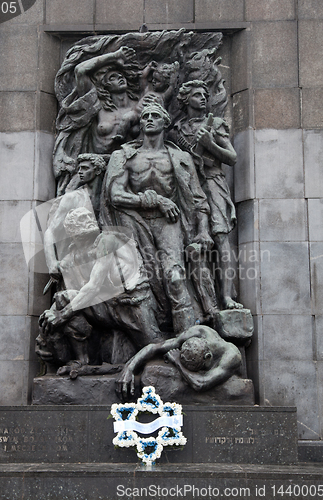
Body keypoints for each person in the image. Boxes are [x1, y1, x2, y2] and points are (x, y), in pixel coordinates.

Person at [101, 102, 214, 334]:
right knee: (137, 283)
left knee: (175, 276)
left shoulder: (181, 158)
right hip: (132, 221)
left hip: (169, 222)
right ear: (140, 123)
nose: (149, 119)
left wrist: (203, 231)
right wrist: (152, 200)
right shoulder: (123, 156)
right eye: (145, 116)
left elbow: (198, 199)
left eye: (155, 116)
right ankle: (151, 338)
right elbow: (115, 195)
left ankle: (187, 339)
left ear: (166, 122)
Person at [38, 207, 166, 375]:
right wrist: (49, 321)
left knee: (156, 348)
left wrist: (62, 316)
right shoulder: (76, 253)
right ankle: (82, 361)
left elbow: (93, 286)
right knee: (63, 298)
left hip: (133, 302)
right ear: (72, 230)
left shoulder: (107, 240)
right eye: (82, 219)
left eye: (89, 216)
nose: (89, 220)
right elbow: (62, 269)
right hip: (108, 303)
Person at [172, 80, 242, 310]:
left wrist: (210, 144)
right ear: (185, 100)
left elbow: (231, 158)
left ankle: (226, 297)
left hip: (212, 183)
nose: (202, 98)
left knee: (221, 237)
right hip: (186, 186)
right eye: (196, 95)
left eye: (204, 94)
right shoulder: (177, 129)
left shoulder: (215, 124)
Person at [53, 46, 141, 193]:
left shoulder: (139, 107)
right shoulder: (96, 105)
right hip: (95, 167)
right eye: (112, 77)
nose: (120, 78)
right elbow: (80, 70)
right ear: (105, 85)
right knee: (68, 195)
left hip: (129, 168)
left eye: (121, 76)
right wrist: (115, 55)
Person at [116, 324, 242, 401]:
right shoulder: (198, 332)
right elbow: (154, 347)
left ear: (208, 357)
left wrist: (177, 362)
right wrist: (129, 368)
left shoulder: (231, 356)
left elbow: (200, 383)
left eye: (196, 369)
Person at [43, 153, 106, 284]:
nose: (80, 172)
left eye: (85, 168)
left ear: (98, 170)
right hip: (78, 262)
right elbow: (51, 231)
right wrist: (52, 263)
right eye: (79, 169)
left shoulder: (108, 197)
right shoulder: (73, 198)